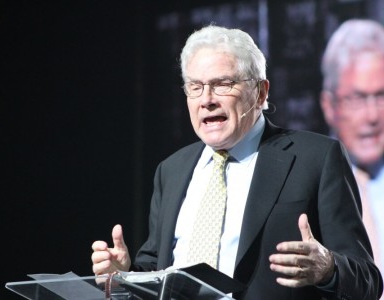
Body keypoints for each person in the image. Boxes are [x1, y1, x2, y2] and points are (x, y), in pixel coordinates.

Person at [92, 25, 383, 299]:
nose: (207, 99)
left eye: (222, 84)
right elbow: (156, 270)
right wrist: (125, 275)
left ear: (261, 92)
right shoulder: (171, 170)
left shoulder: (316, 158)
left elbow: (368, 280)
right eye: (195, 86)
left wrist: (328, 268)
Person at [320, 19, 384, 299]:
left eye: (381, 96)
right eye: (357, 98)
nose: (372, 116)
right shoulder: (307, 186)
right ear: (329, 106)